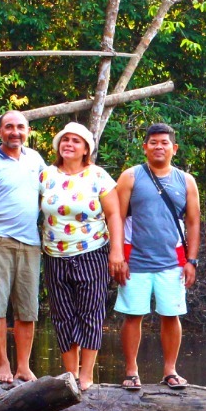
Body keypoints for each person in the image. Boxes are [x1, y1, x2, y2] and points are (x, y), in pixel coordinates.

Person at [113, 123, 200, 390]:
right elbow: (116, 216)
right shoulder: (130, 176)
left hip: (172, 260)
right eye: (153, 142)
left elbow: (194, 222)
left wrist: (191, 260)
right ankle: (131, 371)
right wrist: (116, 254)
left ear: (174, 148)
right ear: (145, 147)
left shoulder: (186, 180)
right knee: (132, 315)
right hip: (134, 258)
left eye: (164, 143)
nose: (158, 147)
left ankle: (170, 370)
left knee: (170, 315)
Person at [41, 122, 126, 388]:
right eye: (65, 139)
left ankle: (87, 374)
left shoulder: (98, 175)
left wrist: (116, 252)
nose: (69, 144)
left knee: (90, 312)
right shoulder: (45, 175)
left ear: (86, 148)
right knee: (62, 314)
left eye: (76, 141)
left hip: (92, 251)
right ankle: (70, 374)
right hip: (54, 254)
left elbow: (113, 214)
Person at [0, 110, 46, 385]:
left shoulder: (35, 159)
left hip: (30, 243)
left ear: (28, 131)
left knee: (27, 307)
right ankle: (3, 364)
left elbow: (48, 195)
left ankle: (23, 367)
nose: (15, 132)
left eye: (20, 127)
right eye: (9, 127)